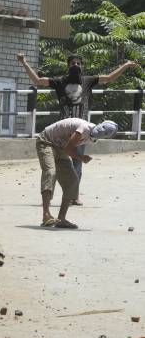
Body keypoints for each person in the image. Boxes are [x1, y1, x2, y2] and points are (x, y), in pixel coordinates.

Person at [18, 53, 137, 205]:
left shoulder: (88, 80)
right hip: (62, 133)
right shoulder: (60, 81)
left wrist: (125, 65)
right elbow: (37, 81)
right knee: (54, 166)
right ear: (68, 66)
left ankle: (74, 196)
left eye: (78, 63)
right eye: (73, 63)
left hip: (80, 132)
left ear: (82, 66)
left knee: (77, 165)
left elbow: (109, 78)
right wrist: (24, 63)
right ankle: (49, 197)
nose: (75, 65)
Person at [36, 117, 117, 229]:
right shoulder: (84, 128)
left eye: (106, 132)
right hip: (46, 141)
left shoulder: (92, 138)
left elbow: (67, 148)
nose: (102, 131)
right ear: (99, 124)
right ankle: (46, 215)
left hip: (60, 147)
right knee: (50, 172)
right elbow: (69, 150)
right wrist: (81, 158)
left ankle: (61, 219)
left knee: (73, 180)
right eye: (102, 127)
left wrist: (79, 157)